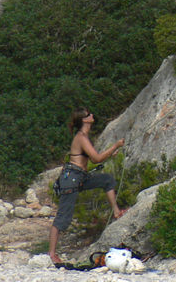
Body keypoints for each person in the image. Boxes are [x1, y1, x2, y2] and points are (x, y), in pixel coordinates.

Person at [48, 108, 125, 266]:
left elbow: (93, 157)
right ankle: (51, 253)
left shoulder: (84, 137)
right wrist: (115, 146)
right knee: (63, 217)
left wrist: (111, 152)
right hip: (71, 179)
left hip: (80, 178)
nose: (91, 115)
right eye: (88, 114)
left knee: (107, 180)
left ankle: (116, 212)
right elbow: (96, 159)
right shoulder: (81, 137)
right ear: (84, 120)